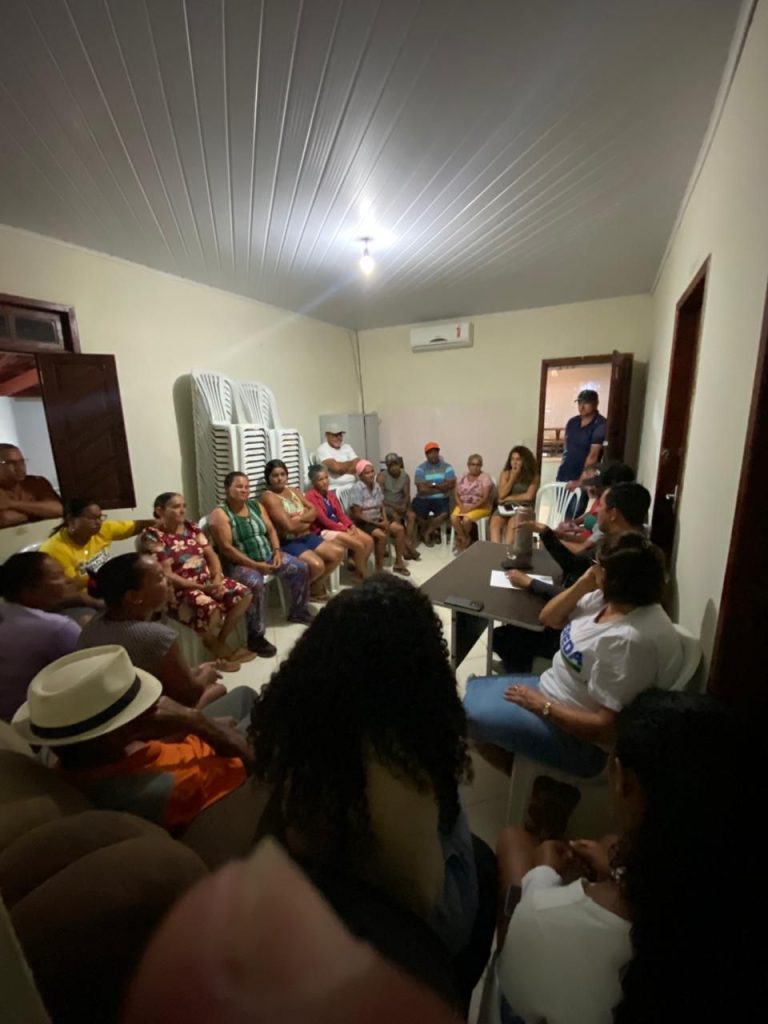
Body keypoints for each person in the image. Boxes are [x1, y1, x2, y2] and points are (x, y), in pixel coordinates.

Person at [248, 575, 496, 1008]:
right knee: (479, 851)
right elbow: (435, 906)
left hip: (319, 900)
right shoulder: (406, 761)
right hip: (405, 928)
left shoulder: (294, 722)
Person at [495, 689, 759, 1024]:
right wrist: (619, 873)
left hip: (528, 977)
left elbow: (514, 985)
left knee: (515, 841)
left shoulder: (547, 919)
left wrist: (542, 874)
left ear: (624, 781)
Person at [465, 534, 684, 778]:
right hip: (553, 690)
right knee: (472, 691)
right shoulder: (606, 599)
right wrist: (581, 585)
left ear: (614, 579)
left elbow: (606, 730)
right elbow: (549, 618)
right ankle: (536, 778)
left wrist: (542, 706)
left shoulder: (630, 641)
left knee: (464, 717)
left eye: (597, 565)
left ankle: (543, 787)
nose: (592, 569)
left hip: (581, 741)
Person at [12, 646, 257, 833]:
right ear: (118, 732)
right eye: (139, 708)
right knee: (256, 708)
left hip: (175, 744)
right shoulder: (172, 786)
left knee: (244, 695)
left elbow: (123, 747)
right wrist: (198, 722)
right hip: (227, 752)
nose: (151, 706)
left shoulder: (59, 750)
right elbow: (253, 759)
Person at [77, 554, 230, 705]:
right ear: (134, 597)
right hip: (136, 714)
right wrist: (207, 674)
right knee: (218, 689)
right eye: (161, 577)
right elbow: (189, 695)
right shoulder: (155, 636)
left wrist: (198, 671)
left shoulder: (94, 624)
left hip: (110, 705)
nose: (169, 581)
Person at [142, 493, 253, 665]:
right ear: (160, 511)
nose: (182, 510)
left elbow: (211, 555)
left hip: (206, 582)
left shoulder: (191, 527)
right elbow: (167, 574)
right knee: (211, 609)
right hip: (178, 590)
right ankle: (213, 643)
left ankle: (218, 641)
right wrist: (201, 588)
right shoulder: (152, 536)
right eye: (176, 507)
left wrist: (217, 578)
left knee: (244, 594)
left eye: (184, 506)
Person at [207, 471, 314, 651]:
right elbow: (226, 549)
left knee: (301, 567)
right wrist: (256, 565)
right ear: (227, 488)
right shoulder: (220, 514)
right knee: (255, 584)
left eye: (247, 487)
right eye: (239, 487)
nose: (244, 490)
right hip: (240, 564)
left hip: (268, 556)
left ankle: (299, 611)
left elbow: (271, 530)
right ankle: (256, 636)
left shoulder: (256, 506)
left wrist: (277, 552)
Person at [0, 551, 80, 721]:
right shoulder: (58, 628)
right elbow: (90, 677)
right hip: (34, 722)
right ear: (29, 591)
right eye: (57, 576)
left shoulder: (5, 611)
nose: (68, 580)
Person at [260, 459, 344, 600]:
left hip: (306, 536)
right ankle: (301, 593)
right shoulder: (269, 497)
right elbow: (289, 527)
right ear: (268, 478)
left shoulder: (293, 490)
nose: (280, 478)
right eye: (275, 475)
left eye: (282, 474)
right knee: (317, 565)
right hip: (288, 541)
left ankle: (313, 587)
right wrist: (306, 518)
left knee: (338, 552)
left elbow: (314, 510)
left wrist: (298, 519)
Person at [40, 497, 153, 591]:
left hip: (106, 588)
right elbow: (69, 587)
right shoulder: (54, 549)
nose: (98, 522)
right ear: (71, 520)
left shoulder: (103, 529)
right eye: (92, 518)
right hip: (80, 599)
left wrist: (159, 524)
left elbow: (138, 526)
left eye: (100, 517)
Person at [304, 464, 374, 579]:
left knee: (369, 541)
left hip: (337, 526)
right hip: (323, 531)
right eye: (320, 480)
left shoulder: (330, 494)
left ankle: (359, 570)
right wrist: (344, 529)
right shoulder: (310, 497)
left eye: (326, 478)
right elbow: (324, 521)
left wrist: (350, 525)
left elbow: (340, 514)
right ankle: (365, 577)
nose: (325, 482)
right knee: (359, 545)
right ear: (313, 482)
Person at [348, 460, 410, 575]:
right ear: (360, 476)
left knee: (400, 529)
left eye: (372, 471)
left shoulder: (376, 485)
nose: (371, 475)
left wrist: (385, 520)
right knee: (381, 536)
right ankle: (379, 570)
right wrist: (377, 524)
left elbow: (381, 505)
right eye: (367, 473)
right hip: (363, 522)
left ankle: (398, 564)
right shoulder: (357, 489)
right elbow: (357, 514)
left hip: (378, 519)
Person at [0, 442, 62, 528]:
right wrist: (40, 512)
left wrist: (11, 503)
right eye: (11, 463)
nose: (20, 467)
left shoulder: (37, 482)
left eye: (22, 461)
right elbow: (5, 518)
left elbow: (57, 509)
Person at [556, 389, 607, 492]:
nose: (582, 406)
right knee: (561, 500)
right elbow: (566, 446)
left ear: (596, 403)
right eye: (579, 403)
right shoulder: (572, 422)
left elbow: (593, 456)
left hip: (583, 476)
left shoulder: (600, 424)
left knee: (578, 501)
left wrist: (580, 481)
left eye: (586, 403)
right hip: (565, 472)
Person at [489, 446, 540, 545]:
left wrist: (509, 498)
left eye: (518, 459)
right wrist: (512, 478)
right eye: (512, 459)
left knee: (513, 523)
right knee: (495, 522)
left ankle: (507, 551)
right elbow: (501, 494)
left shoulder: (533, 476)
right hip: (506, 507)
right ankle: (496, 550)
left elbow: (529, 496)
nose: (514, 462)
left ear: (525, 461)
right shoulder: (506, 474)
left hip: (523, 507)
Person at [412, 442, 456, 546]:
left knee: (444, 514)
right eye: (430, 453)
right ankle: (434, 532)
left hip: (441, 499)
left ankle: (427, 533)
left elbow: (450, 485)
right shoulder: (420, 469)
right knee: (415, 511)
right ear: (426, 455)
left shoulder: (447, 467)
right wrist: (441, 487)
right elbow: (421, 489)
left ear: (438, 452)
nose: (433, 455)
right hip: (423, 498)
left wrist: (431, 484)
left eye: (435, 452)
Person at [378, 452, 420, 560]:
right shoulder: (382, 477)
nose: (394, 468)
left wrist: (404, 505)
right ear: (387, 467)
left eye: (395, 464)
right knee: (395, 516)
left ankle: (407, 542)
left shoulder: (405, 476)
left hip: (400, 504)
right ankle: (406, 548)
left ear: (399, 464)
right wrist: (395, 506)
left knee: (412, 516)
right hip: (387, 505)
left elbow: (407, 495)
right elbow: (379, 498)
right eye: (391, 466)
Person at [451, 454, 493, 552]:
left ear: (481, 466)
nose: (475, 467)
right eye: (472, 464)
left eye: (478, 465)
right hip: (463, 504)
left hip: (481, 506)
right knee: (453, 518)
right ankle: (465, 539)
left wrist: (470, 508)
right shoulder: (462, 476)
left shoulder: (485, 478)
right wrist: (461, 505)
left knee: (466, 519)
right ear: (468, 465)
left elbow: (485, 498)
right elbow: (456, 493)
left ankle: (461, 540)